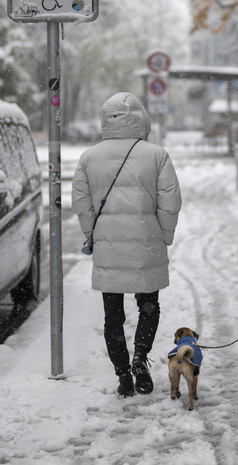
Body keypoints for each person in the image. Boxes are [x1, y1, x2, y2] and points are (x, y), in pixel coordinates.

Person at [72, 92, 182, 398]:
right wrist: (165, 235)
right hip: (147, 244)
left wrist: (92, 233)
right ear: (142, 118)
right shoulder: (157, 155)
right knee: (149, 306)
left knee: (113, 314)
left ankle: (122, 374)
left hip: (109, 246)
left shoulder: (89, 157)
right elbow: (171, 202)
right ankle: (139, 357)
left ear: (106, 120)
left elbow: (80, 203)